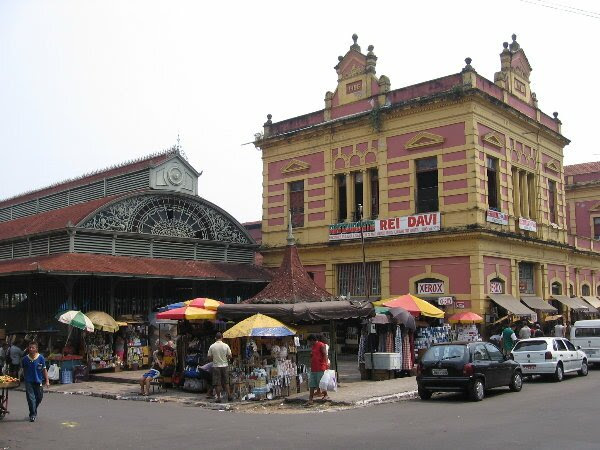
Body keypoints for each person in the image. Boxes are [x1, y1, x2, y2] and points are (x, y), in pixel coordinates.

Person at [21, 342, 49, 422]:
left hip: (38, 381)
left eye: (33, 348)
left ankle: (33, 409)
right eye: (30, 347)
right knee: (31, 399)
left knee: (39, 398)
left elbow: (44, 369)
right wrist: (23, 378)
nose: (31, 349)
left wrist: (47, 380)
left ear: (36, 349)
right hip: (29, 381)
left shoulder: (41, 358)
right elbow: (23, 370)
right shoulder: (25, 359)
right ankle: (32, 415)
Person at [207, 332, 232, 403]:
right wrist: (226, 359)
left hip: (216, 366)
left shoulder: (212, 346)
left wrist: (214, 359)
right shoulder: (226, 345)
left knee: (217, 383)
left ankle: (218, 398)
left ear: (215, 338)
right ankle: (229, 396)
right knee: (226, 382)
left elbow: (209, 357)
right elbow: (230, 355)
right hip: (225, 365)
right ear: (222, 338)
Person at [306, 334, 328, 406]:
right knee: (312, 384)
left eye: (309, 341)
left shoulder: (321, 345)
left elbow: (325, 354)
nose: (309, 343)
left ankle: (325, 395)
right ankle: (310, 399)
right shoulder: (313, 346)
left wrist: (326, 364)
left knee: (321, 383)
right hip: (314, 368)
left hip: (320, 367)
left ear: (312, 340)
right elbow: (312, 355)